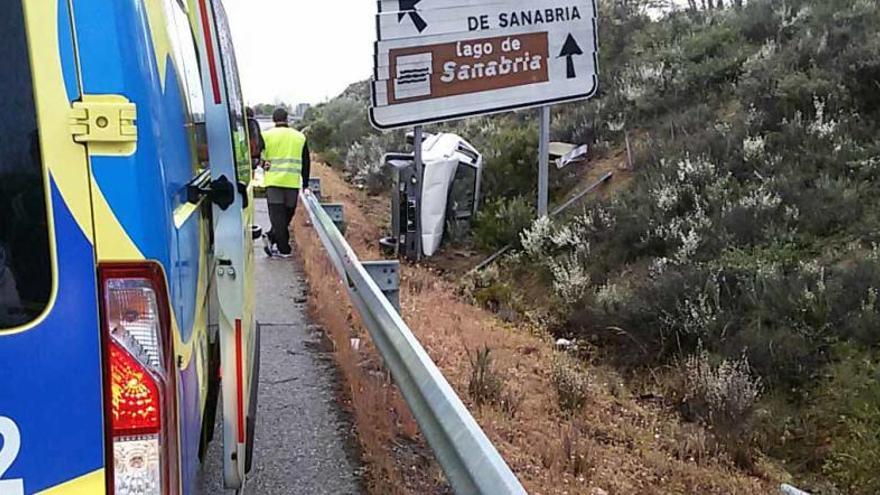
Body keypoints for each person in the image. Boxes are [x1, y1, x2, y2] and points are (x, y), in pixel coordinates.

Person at [261, 107, 310, 258]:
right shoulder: (299, 137)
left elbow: (256, 155)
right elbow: (306, 162)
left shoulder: (265, 135)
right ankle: (284, 248)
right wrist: (306, 183)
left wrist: (263, 165)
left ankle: (272, 236)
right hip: (291, 183)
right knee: (287, 214)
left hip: (273, 182)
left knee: (278, 217)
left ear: (273, 120)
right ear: (287, 118)